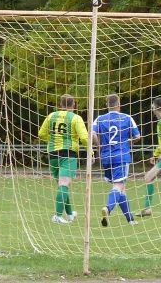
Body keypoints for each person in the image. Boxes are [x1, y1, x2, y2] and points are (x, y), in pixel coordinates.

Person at [38, 94, 89, 224]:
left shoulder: (51, 116)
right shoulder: (76, 118)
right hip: (68, 154)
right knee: (64, 184)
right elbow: (84, 137)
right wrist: (91, 152)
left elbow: (41, 134)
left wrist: (53, 140)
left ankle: (70, 214)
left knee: (62, 185)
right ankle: (57, 215)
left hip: (53, 154)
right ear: (74, 105)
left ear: (61, 105)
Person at [92, 94, 141, 226]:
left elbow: (91, 134)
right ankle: (108, 208)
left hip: (106, 157)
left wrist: (99, 145)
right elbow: (137, 136)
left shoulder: (100, 119)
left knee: (121, 188)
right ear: (119, 105)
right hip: (121, 156)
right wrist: (127, 142)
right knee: (118, 186)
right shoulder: (127, 118)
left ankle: (130, 219)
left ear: (107, 105)